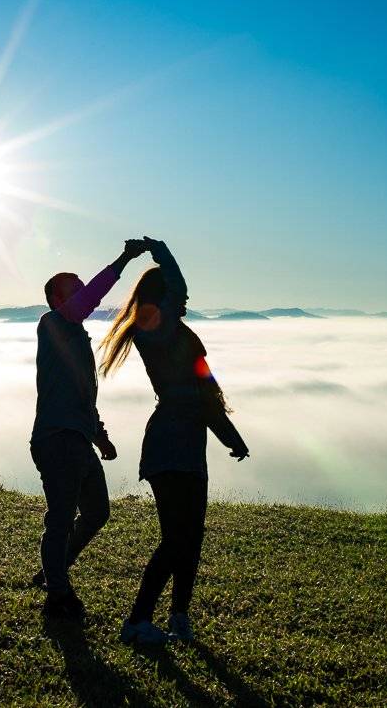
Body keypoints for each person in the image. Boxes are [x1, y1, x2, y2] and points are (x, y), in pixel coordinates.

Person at [98, 237, 250, 646]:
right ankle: (137, 621)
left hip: (189, 441)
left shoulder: (178, 333)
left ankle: (179, 616)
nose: (185, 299)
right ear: (161, 297)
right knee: (176, 539)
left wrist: (230, 436)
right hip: (169, 443)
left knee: (191, 535)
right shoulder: (156, 330)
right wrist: (158, 248)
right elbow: (179, 289)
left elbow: (206, 390)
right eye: (175, 295)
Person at [31, 239, 149, 619]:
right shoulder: (52, 325)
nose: (85, 294)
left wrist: (100, 436)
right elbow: (92, 299)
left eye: (83, 286)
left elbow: (82, 397)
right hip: (57, 440)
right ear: (56, 300)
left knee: (97, 512)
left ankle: (53, 572)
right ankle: (58, 594)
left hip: (78, 439)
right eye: (75, 289)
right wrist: (123, 261)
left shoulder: (77, 337)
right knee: (61, 520)